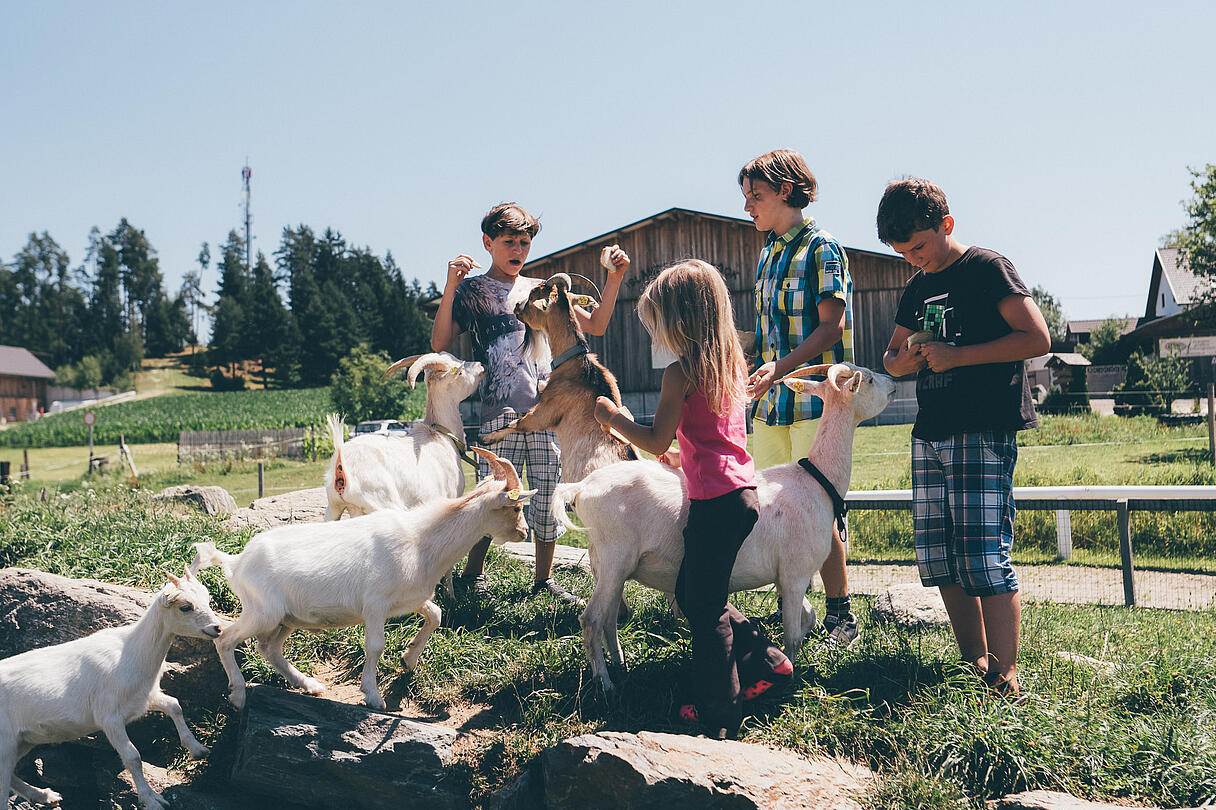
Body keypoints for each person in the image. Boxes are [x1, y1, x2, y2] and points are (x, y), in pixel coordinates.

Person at [594, 260, 791, 740]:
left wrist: (612, 416)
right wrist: (687, 458)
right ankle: (771, 665)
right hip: (741, 492)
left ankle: (718, 713)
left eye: (658, 323)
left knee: (705, 612)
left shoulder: (680, 373)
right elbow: (718, 436)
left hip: (715, 502)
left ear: (680, 320)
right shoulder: (728, 365)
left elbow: (655, 439)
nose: (656, 335)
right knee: (694, 595)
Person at [878, 178, 1050, 696]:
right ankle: (974, 663)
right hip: (929, 431)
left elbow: (1037, 339)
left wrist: (958, 356)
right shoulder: (916, 286)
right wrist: (903, 362)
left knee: (981, 555)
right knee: (941, 557)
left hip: (982, 428)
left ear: (945, 225)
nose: (914, 260)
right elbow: (891, 356)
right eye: (903, 253)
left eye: (918, 247)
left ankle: (1006, 674)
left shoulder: (986, 269)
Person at [431, 202, 630, 605]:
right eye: (508, 241)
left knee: (546, 493)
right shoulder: (473, 292)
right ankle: (473, 573)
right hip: (499, 410)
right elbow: (439, 343)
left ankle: (543, 580)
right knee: (494, 494)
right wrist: (451, 285)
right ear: (488, 243)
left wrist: (614, 279)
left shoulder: (542, 290)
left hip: (549, 411)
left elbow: (596, 325)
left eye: (524, 242)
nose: (518, 249)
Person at [738, 149, 859, 646]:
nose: (748, 206)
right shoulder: (767, 250)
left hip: (814, 400)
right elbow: (771, 335)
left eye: (756, 195)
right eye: (746, 196)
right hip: (770, 404)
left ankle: (841, 615)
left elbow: (832, 328)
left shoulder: (822, 247)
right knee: (773, 508)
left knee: (818, 510)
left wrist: (780, 368)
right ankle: (797, 609)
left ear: (787, 191)